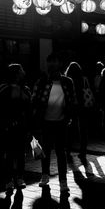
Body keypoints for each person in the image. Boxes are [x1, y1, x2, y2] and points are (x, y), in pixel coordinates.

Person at [32, 52, 74, 193]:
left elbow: (72, 101)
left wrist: (70, 116)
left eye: (55, 62)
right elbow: (34, 100)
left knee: (61, 153)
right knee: (46, 151)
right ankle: (45, 176)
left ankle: (63, 181)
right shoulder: (42, 81)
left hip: (61, 122)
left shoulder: (67, 82)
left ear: (60, 64)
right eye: (50, 62)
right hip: (46, 122)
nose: (52, 65)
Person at [0, 63, 31, 192]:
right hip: (10, 126)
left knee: (18, 153)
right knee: (12, 154)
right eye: (21, 70)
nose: (24, 71)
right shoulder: (6, 89)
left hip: (20, 126)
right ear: (17, 73)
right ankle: (11, 179)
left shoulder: (24, 89)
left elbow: (29, 108)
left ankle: (17, 178)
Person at [64, 61, 94, 161]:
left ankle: (68, 150)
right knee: (83, 129)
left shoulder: (68, 80)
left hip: (72, 106)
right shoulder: (84, 79)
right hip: (83, 106)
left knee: (70, 129)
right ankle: (83, 151)